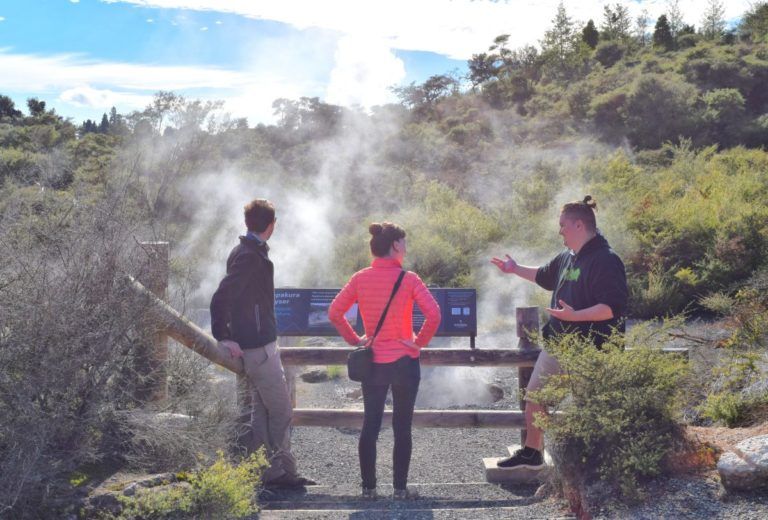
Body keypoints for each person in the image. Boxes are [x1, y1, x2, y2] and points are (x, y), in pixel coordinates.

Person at [490, 196, 628, 471]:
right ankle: (532, 452)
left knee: (592, 406)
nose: (560, 231)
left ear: (579, 225)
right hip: (558, 346)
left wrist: (575, 316)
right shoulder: (567, 257)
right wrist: (515, 269)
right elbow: (543, 275)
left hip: (592, 351)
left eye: (563, 225)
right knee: (534, 397)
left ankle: (597, 464)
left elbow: (611, 308)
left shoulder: (606, 260)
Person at [328, 222, 441, 500]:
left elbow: (334, 312)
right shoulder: (409, 279)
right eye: (404, 241)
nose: (406, 246)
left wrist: (355, 339)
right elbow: (434, 314)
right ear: (395, 245)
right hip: (405, 362)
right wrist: (419, 342)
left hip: (374, 362)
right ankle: (400, 490)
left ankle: (369, 489)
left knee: (370, 425)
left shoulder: (360, 278)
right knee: (402, 428)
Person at [210, 198, 313, 488]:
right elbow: (221, 297)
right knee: (281, 411)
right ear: (272, 225)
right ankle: (282, 471)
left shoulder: (245, 251)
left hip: (255, 346)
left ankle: (270, 473)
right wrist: (223, 335)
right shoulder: (250, 256)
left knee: (261, 413)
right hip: (258, 348)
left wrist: (229, 334)